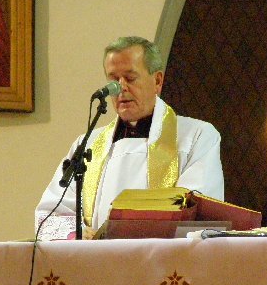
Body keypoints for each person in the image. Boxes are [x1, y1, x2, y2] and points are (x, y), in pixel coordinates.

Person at [36, 36, 224, 239]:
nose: (120, 88)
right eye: (113, 80)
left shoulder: (196, 136)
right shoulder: (87, 145)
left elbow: (199, 211)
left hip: (162, 257)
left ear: (157, 81)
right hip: (96, 257)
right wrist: (78, 235)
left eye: (130, 78)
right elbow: (51, 214)